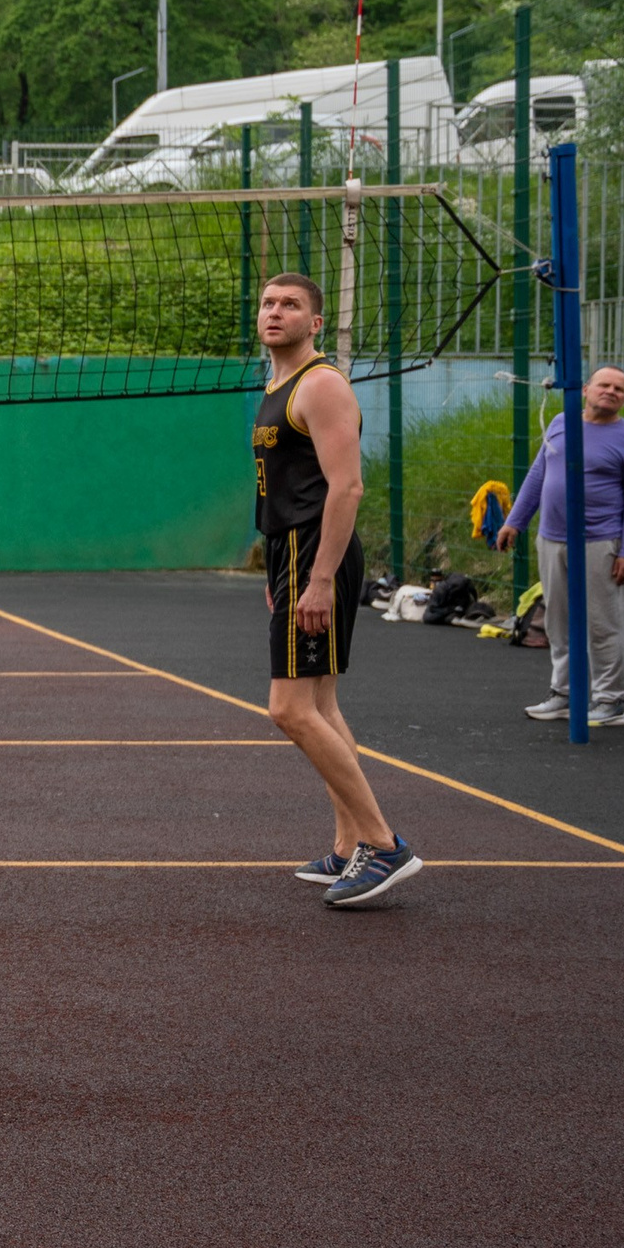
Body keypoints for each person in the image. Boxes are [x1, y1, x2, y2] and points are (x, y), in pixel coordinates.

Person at [253, 272, 422, 906]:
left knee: (289, 710)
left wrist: (318, 577)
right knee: (320, 707)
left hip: (311, 551)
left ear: (315, 323)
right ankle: (350, 847)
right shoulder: (277, 384)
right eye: (269, 303)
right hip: (289, 553)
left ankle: (384, 844)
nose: (276, 312)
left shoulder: (321, 385)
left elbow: (346, 488)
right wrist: (281, 573)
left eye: (290, 305)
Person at [496, 363, 624, 726]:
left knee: (604, 624)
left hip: (602, 543)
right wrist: (514, 521)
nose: (611, 392)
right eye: (605, 384)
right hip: (551, 539)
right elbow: (539, 473)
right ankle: (565, 694)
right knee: (558, 620)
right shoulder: (559, 422)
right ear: (585, 389)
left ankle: (611, 700)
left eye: (619, 389)